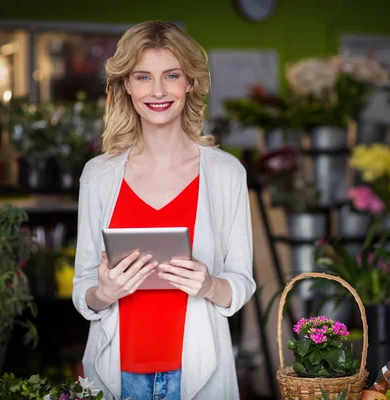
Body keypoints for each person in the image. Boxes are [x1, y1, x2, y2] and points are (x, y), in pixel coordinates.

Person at [72, 21, 256, 400]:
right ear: (126, 84)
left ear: (190, 83)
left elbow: (241, 283)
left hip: (199, 371)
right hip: (116, 374)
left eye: (171, 76)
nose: (157, 91)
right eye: (143, 76)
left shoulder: (225, 173)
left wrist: (208, 285)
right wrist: (104, 293)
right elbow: (83, 288)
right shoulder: (98, 176)